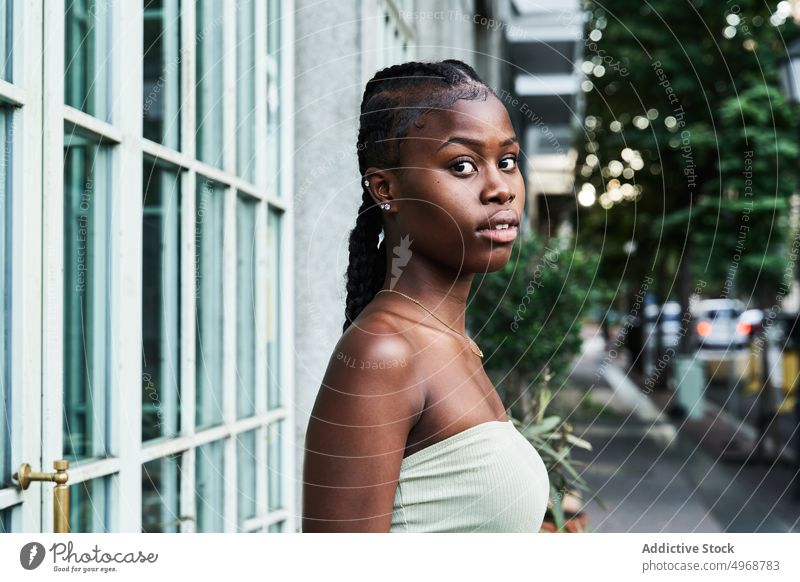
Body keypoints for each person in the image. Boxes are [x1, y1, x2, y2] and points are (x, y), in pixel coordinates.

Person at [302, 60, 550, 532]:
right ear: (386, 189)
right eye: (462, 165)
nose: (500, 189)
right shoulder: (385, 351)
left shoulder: (450, 339)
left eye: (508, 161)